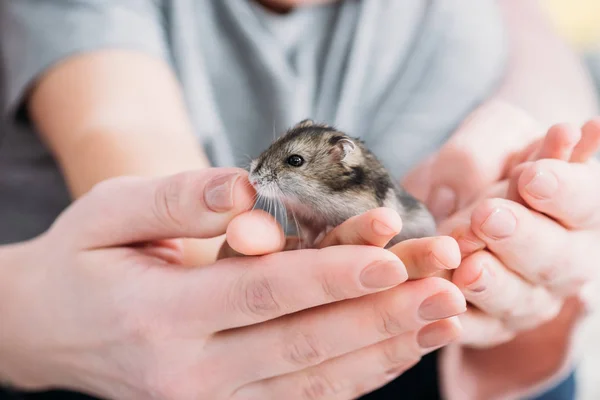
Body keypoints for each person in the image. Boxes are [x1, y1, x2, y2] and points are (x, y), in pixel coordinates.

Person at [0, 0, 599, 399]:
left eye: (287, 166)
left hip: (434, 344)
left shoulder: (447, 24)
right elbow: (120, 127)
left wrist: (527, 224)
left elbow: (542, 71)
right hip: (100, 348)